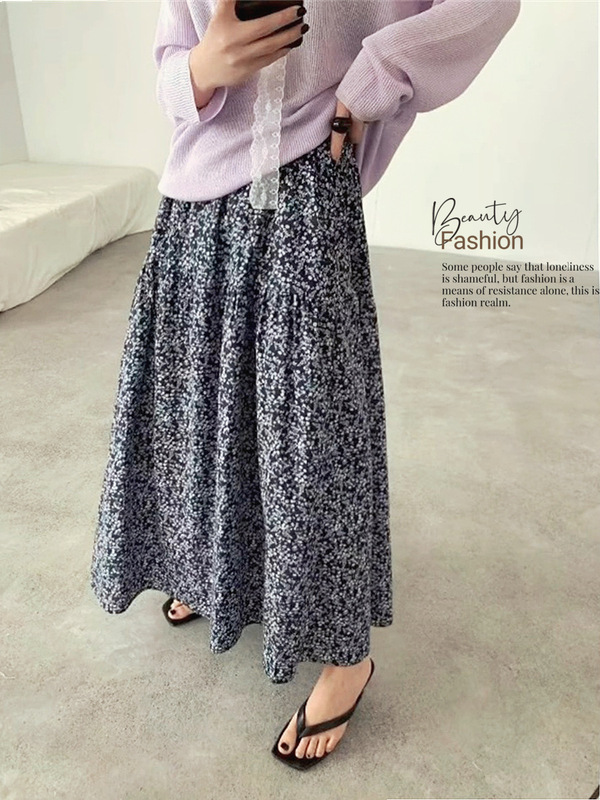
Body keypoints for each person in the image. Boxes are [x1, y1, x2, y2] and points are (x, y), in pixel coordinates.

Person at [90, 0, 520, 769]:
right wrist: (201, 69)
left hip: (309, 183)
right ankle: (214, 569)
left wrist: (375, 75)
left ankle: (345, 657)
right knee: (199, 415)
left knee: (313, 437)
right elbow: (171, 61)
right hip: (194, 197)